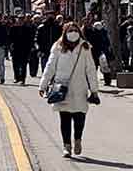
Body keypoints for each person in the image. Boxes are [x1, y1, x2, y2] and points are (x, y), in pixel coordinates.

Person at [38, 22, 99, 157]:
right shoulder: (58, 46)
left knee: (79, 117)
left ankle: (77, 140)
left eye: (75, 30)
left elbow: (90, 69)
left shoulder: (85, 47)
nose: (73, 33)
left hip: (79, 88)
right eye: (70, 30)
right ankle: (66, 146)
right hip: (62, 89)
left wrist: (94, 89)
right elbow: (50, 66)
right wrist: (43, 85)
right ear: (65, 32)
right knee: (64, 118)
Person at [88, 21, 116, 86]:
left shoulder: (100, 33)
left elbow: (106, 42)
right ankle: (106, 81)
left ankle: (106, 81)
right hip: (98, 52)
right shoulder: (99, 33)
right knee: (101, 67)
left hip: (99, 52)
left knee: (101, 67)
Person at [9, 15, 34, 85]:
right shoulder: (13, 28)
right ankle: (16, 77)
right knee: (15, 64)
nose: (20, 21)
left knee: (24, 65)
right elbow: (10, 38)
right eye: (19, 19)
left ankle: (23, 79)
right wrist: (10, 46)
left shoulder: (28, 29)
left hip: (25, 49)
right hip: (15, 49)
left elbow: (30, 39)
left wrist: (31, 47)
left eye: (22, 20)